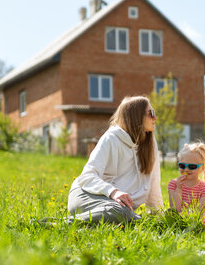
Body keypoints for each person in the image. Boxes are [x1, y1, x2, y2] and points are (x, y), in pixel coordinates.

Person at [66, 96, 164, 224]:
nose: (155, 117)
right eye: (151, 113)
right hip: (87, 196)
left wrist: (160, 219)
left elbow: (153, 187)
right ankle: (62, 223)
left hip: (117, 207)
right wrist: (113, 192)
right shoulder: (111, 139)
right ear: (136, 116)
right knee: (122, 212)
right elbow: (87, 177)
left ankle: (131, 219)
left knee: (123, 213)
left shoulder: (150, 143)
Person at [167, 142, 205, 213]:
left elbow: (199, 213)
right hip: (177, 220)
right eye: (182, 165)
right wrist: (179, 189)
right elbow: (175, 209)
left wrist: (184, 214)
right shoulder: (173, 185)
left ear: (202, 168)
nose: (186, 169)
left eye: (192, 166)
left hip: (195, 221)